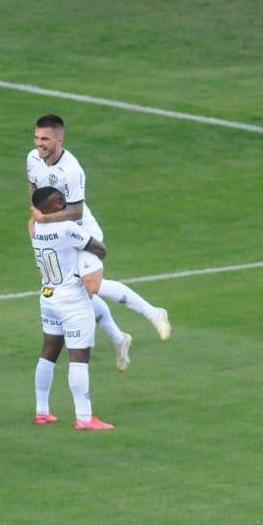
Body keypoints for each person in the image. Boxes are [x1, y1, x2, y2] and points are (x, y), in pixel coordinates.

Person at [27, 114, 171, 373]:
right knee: (78, 290)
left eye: (45, 139)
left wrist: (45, 220)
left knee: (90, 284)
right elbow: (34, 191)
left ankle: (153, 312)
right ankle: (119, 338)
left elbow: (77, 212)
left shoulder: (71, 170)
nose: (40, 143)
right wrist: (35, 225)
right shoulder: (32, 159)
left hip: (81, 230)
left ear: (60, 139)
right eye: (37, 137)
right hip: (55, 233)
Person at [30, 186, 114, 430]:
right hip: (72, 300)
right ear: (46, 208)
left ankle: (42, 411)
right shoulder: (67, 228)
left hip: (48, 294)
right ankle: (84, 417)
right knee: (79, 356)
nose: (64, 203)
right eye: (58, 201)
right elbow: (99, 249)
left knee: (48, 352)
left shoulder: (35, 229)